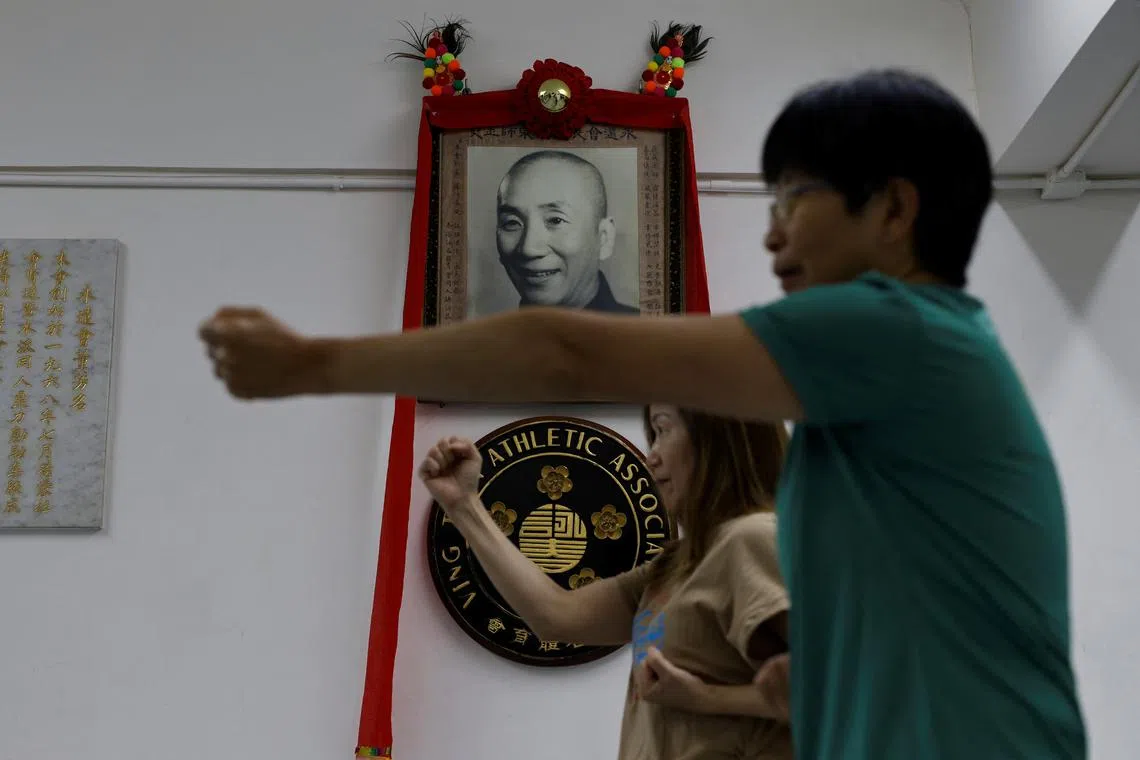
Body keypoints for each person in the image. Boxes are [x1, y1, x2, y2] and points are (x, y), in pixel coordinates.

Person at [199, 68, 1089, 759]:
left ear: (894, 209)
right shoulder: (859, 429)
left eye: (796, 200)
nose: (773, 232)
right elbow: (565, 616)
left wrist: (314, 364)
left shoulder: (893, 327)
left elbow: (564, 351)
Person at [417, 405, 794, 759]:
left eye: (663, 430)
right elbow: (558, 616)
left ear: (719, 436)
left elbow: (839, 686)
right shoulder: (681, 562)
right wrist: (464, 504)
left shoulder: (753, 539)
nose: (652, 456)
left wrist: (707, 698)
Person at [491, 150, 638, 314]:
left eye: (555, 220)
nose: (528, 249)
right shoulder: (479, 338)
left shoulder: (650, 337)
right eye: (512, 222)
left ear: (604, 238)